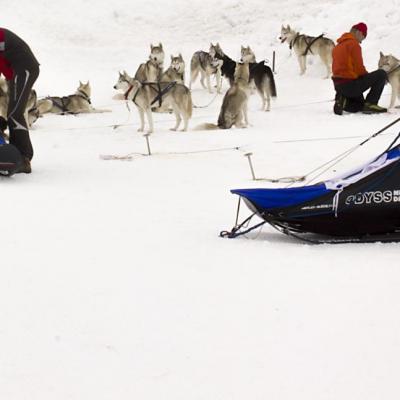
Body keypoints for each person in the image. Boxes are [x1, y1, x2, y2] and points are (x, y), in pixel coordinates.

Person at [0, 28, 40, 173]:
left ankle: (24, 158)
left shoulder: (1, 35)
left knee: (15, 114)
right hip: (14, 75)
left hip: (25, 70)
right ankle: (13, 155)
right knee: (12, 113)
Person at [332, 22, 387, 115]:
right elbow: (359, 69)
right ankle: (371, 104)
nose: (361, 41)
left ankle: (343, 101)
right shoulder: (353, 44)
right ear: (359, 32)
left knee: (359, 105)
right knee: (381, 74)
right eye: (363, 37)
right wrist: (372, 79)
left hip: (339, 85)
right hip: (350, 84)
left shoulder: (338, 46)